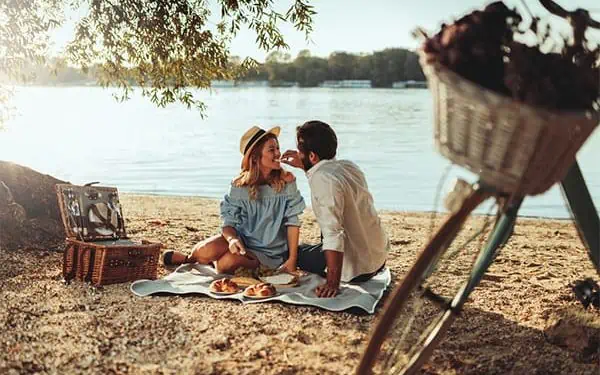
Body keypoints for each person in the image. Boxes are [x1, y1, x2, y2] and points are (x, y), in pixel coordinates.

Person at [163, 125, 306, 274]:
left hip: (270, 253)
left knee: (226, 264)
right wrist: (232, 240)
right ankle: (189, 259)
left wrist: (292, 260)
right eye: (271, 150)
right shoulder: (239, 186)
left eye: (278, 148)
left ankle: (212, 262)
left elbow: (293, 222)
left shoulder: (287, 181)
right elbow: (228, 223)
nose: (278, 153)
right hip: (242, 243)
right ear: (255, 157)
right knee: (206, 249)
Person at [282, 120, 389, 298]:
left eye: (301, 152)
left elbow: (333, 233)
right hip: (377, 259)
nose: (297, 154)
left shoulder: (323, 179)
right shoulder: (348, 167)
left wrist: (332, 282)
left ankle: (331, 273)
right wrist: (304, 163)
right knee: (311, 246)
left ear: (313, 156)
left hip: (357, 270)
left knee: (292, 252)